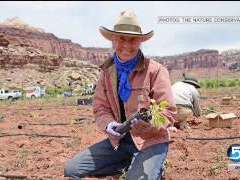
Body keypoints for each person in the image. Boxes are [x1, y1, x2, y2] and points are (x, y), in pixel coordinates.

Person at [64, 10, 176, 179]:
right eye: (121, 38)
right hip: (120, 142)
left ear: (140, 42)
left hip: (151, 140)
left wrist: (150, 124)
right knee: (72, 169)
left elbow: (168, 112)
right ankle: (131, 162)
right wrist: (109, 125)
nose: (127, 45)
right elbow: (100, 108)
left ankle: (148, 165)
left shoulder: (155, 70)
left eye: (133, 40)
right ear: (112, 41)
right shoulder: (107, 73)